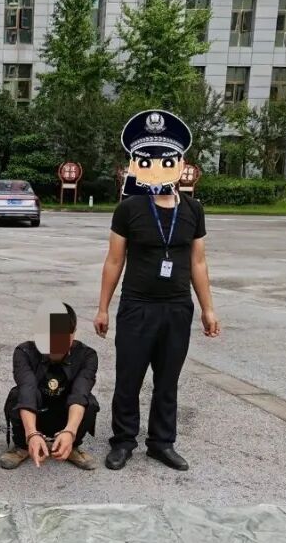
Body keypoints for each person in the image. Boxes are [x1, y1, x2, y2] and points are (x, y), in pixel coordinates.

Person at [94, 109, 220, 473]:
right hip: (137, 306)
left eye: (166, 161)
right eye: (147, 161)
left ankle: (162, 443)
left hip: (177, 308)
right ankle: (123, 441)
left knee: (168, 381)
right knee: (128, 378)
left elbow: (198, 263)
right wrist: (103, 307)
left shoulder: (193, 210)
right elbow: (114, 261)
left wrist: (208, 309)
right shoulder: (129, 209)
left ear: (180, 166)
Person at [0, 302, 99, 471]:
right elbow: (27, 390)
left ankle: (71, 445)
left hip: (65, 414)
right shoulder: (24, 352)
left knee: (89, 401)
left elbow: (79, 393)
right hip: (36, 412)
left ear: (73, 333)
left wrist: (70, 432)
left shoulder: (87, 355)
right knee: (18, 395)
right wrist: (32, 433)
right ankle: (23, 446)